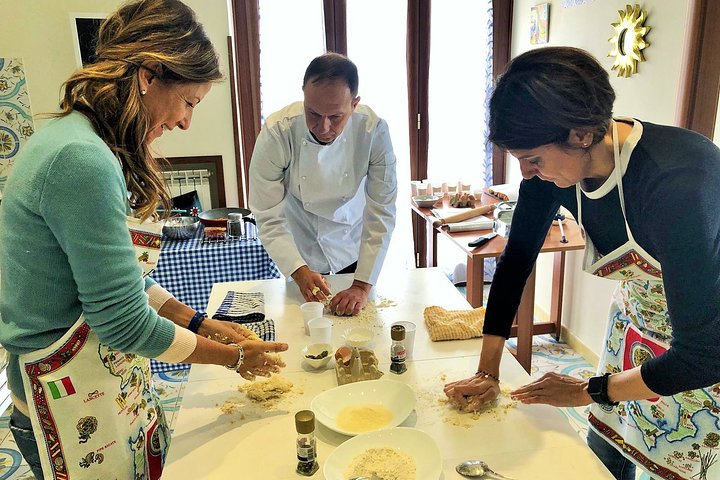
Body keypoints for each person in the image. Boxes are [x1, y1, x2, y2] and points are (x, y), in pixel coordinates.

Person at [0, 1, 287, 478]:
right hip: (68, 396)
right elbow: (123, 322)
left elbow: (123, 281)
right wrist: (232, 358)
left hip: (99, 382)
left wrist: (202, 323)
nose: (185, 122)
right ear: (149, 75)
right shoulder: (80, 160)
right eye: (190, 101)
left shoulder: (82, 142)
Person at [443, 46, 720, 480]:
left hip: (705, 350)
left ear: (581, 134)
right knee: (604, 455)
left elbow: (705, 354)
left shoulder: (678, 180)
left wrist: (590, 390)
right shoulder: (554, 172)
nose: (528, 174)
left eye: (533, 159)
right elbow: (515, 262)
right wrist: (488, 371)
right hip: (633, 328)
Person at [249, 53, 397, 317]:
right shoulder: (277, 132)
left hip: (351, 247)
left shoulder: (373, 132)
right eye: (313, 114)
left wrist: (362, 286)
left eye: (336, 117)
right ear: (304, 95)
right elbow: (268, 215)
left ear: (354, 104)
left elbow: (381, 211)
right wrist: (299, 270)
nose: (323, 127)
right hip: (301, 250)